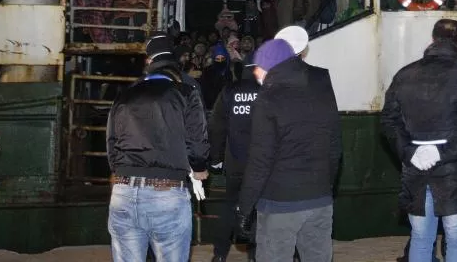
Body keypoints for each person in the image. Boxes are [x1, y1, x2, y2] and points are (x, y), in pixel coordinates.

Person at [381, 19, 457, 262]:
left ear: (432, 39)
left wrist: (410, 152)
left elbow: (388, 121)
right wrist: (443, 153)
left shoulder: (404, 74)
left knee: (421, 240)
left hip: (416, 173)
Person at [237, 39, 342, 262]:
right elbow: (335, 147)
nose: (256, 72)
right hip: (319, 198)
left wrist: (245, 208)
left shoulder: (268, 99)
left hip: (279, 202)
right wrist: (326, 185)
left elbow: (260, 161)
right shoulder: (322, 91)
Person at [106, 39, 210, 262]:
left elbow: (111, 143)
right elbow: (197, 139)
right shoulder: (186, 92)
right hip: (166, 194)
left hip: (123, 192)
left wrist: (122, 172)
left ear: (149, 62)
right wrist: (199, 168)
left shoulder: (125, 95)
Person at [209, 44, 262, 262]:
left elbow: (217, 127)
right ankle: (254, 256)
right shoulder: (267, 92)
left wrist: (216, 159)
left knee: (229, 207)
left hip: (234, 163)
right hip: (260, 165)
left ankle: (219, 255)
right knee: (257, 211)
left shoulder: (229, 91)